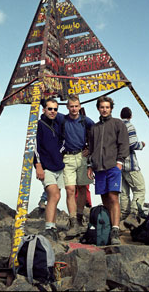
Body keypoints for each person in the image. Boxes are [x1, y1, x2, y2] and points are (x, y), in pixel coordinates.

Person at [87, 96, 129, 245]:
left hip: (113, 166)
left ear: (111, 108)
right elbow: (91, 148)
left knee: (113, 197)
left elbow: (124, 144)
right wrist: (90, 165)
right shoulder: (94, 127)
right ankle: (107, 228)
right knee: (105, 199)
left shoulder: (118, 124)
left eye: (107, 107)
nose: (104, 109)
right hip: (98, 168)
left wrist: (119, 162)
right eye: (102, 107)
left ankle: (115, 230)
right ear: (98, 108)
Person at [60, 94, 95, 238]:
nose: (74, 109)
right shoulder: (63, 119)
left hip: (82, 156)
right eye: (71, 106)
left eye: (76, 106)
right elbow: (46, 109)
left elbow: (97, 133)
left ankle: (79, 219)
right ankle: (73, 221)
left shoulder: (85, 120)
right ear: (67, 107)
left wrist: (91, 148)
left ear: (79, 107)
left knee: (81, 188)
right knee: (70, 189)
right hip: (67, 156)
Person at [34, 97, 65, 241]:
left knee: (56, 196)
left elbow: (62, 142)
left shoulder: (58, 125)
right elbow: (34, 146)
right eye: (50, 109)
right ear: (44, 109)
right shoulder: (38, 125)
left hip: (58, 166)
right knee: (54, 195)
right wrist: (38, 165)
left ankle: (51, 226)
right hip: (46, 167)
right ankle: (48, 227)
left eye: (55, 109)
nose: (53, 111)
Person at [119, 107, 146, 225]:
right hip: (130, 163)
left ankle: (123, 214)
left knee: (124, 192)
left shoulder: (117, 126)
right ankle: (134, 213)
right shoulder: (129, 126)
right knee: (140, 188)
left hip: (119, 164)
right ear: (130, 116)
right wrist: (142, 145)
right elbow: (133, 144)